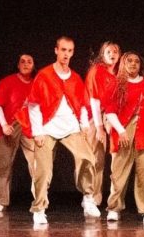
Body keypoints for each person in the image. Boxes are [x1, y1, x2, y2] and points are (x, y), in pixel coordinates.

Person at [28, 36, 100, 225]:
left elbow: (83, 104)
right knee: (43, 169)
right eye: (63, 50)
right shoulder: (44, 75)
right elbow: (33, 105)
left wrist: (84, 124)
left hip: (71, 127)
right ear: (56, 50)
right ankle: (40, 208)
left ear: (72, 53)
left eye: (69, 51)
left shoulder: (75, 78)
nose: (66, 54)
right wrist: (37, 132)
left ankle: (88, 197)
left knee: (88, 158)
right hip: (47, 127)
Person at [103, 51, 144, 224]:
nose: (133, 64)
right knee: (119, 172)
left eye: (136, 62)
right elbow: (109, 111)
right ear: (123, 64)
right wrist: (120, 130)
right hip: (124, 132)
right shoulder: (117, 85)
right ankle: (114, 207)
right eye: (129, 61)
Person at [0, 53, 37, 212]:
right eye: (22, 61)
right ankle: (0, 200)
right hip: (10, 124)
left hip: (29, 125)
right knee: (3, 163)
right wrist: (4, 125)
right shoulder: (7, 81)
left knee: (37, 162)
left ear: (33, 65)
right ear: (17, 65)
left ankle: (40, 200)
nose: (26, 64)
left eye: (29, 61)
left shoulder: (37, 83)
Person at [84, 41, 121, 207]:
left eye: (115, 52)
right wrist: (99, 127)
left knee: (116, 153)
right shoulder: (97, 71)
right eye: (108, 52)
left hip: (111, 115)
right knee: (96, 157)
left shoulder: (118, 74)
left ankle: (115, 197)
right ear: (102, 54)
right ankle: (91, 195)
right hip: (94, 115)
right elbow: (94, 99)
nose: (112, 54)